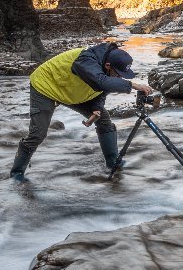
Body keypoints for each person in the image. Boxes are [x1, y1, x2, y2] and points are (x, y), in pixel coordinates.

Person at [10, 42, 152, 180]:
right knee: (38, 134)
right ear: (108, 66)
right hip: (46, 87)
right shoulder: (85, 59)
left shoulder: (107, 71)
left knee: (104, 121)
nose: (120, 77)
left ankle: (113, 162)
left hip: (72, 91)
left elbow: (102, 91)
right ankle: (16, 173)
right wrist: (132, 85)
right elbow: (100, 82)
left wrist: (96, 108)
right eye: (118, 74)